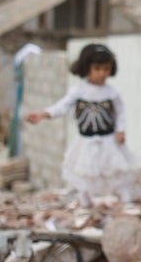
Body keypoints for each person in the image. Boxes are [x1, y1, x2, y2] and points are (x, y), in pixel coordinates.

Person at [26, 43, 134, 208]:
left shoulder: (111, 93)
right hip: (86, 141)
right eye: (97, 69)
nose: (102, 73)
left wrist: (120, 130)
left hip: (108, 140)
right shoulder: (78, 91)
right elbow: (61, 107)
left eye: (106, 69)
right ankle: (85, 201)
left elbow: (120, 113)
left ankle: (126, 199)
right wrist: (43, 114)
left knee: (117, 169)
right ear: (86, 68)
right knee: (83, 171)